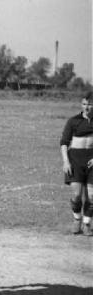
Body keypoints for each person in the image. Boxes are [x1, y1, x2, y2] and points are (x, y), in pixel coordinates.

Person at [61, 91, 93, 236]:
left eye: (90, 104)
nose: (87, 107)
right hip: (75, 161)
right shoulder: (73, 121)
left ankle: (87, 224)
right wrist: (66, 161)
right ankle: (77, 220)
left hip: (91, 161)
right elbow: (64, 143)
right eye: (84, 104)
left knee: (91, 196)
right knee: (77, 195)